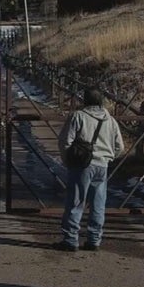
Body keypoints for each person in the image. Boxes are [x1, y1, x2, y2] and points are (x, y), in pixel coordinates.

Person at [55, 87, 125, 252]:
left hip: (82, 165)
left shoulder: (78, 116)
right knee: (98, 204)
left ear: (84, 100)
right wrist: (108, 157)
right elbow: (120, 146)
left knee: (76, 202)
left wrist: (67, 160)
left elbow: (65, 141)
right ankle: (94, 240)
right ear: (101, 101)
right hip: (102, 166)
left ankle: (71, 240)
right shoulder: (110, 120)